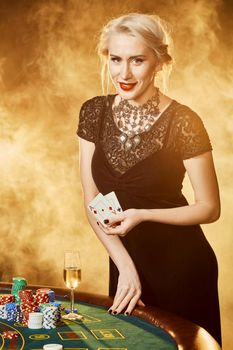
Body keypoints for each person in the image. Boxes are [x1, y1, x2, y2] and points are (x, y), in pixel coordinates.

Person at [77, 13, 222, 346]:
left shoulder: (184, 121)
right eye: (116, 59)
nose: (124, 73)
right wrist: (125, 265)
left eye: (137, 60)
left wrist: (142, 215)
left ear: (159, 62)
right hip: (125, 264)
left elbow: (209, 208)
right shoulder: (93, 113)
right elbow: (92, 196)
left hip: (182, 267)